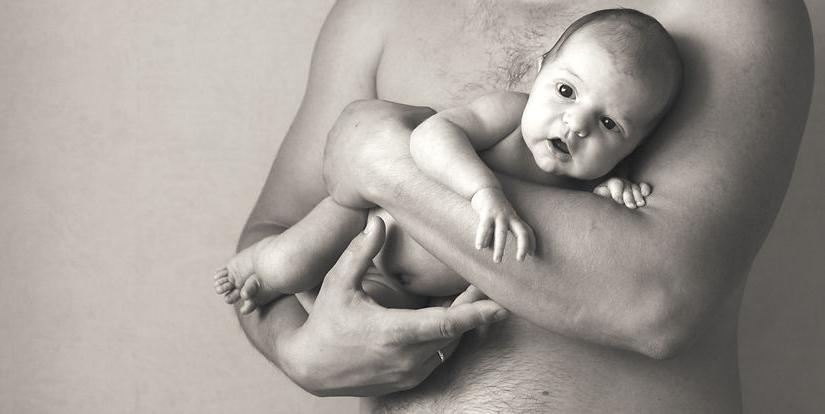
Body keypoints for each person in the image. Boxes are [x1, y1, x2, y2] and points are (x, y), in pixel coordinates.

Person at [233, 0, 813, 412]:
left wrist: (382, 162)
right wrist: (296, 352)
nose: (578, 123)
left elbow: (657, 300)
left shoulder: (726, 14)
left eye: (608, 123)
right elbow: (273, 234)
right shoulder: (375, 11)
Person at [215, 8, 678, 312]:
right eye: (565, 91)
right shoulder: (509, 114)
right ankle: (255, 267)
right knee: (289, 267)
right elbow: (432, 136)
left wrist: (614, 191)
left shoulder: (586, 180)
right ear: (540, 70)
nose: (575, 124)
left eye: (610, 125)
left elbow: (604, 236)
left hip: (409, 290)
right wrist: (482, 190)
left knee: (374, 330)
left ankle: (306, 301)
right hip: (368, 223)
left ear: (632, 147)